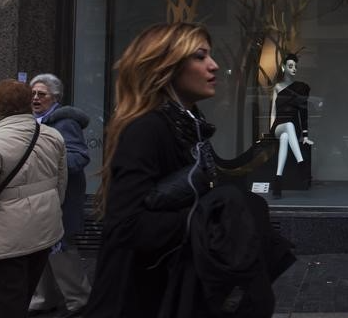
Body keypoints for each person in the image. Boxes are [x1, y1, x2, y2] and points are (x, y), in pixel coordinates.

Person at [85, 22, 294, 318]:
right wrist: (212, 220)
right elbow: (124, 227)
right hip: (141, 298)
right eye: (200, 56)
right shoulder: (146, 129)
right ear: (166, 67)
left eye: (209, 55)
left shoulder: (188, 125)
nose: (214, 65)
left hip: (174, 292)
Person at [0, 79, 67, 318]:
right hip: (45, 230)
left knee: (8, 301)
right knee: (23, 295)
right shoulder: (53, 135)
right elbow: (61, 184)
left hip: (8, 240)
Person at [28, 74, 92, 318]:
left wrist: (47, 163)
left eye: (41, 94)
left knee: (61, 249)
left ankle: (80, 299)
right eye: (32, 93)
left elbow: (80, 157)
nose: (35, 98)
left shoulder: (64, 122)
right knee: (40, 247)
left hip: (62, 198)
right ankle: (44, 299)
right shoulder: (34, 121)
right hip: (41, 197)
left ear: (55, 97)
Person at [269, 53, 312, 199]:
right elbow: (273, 111)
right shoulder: (277, 87)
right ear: (283, 67)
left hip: (292, 129)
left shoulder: (301, 88)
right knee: (287, 127)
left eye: (295, 67)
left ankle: (278, 181)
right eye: (290, 66)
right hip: (278, 126)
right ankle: (301, 163)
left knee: (286, 136)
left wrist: (305, 135)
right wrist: (270, 129)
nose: (294, 69)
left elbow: (304, 111)